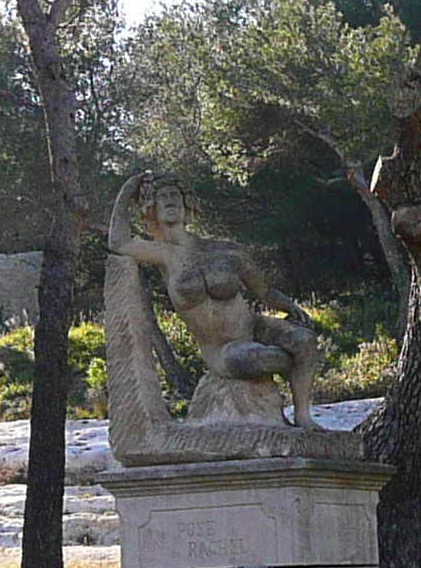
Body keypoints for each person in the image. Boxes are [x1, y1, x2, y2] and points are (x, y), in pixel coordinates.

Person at [108, 173, 324, 427]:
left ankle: (303, 416)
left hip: (254, 328)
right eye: (162, 197)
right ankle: (288, 367)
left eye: (175, 196)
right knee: (262, 358)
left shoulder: (223, 250)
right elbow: (118, 243)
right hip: (222, 349)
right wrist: (127, 191)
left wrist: (291, 307)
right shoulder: (164, 255)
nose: (170, 201)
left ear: (187, 204)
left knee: (304, 340)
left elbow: (264, 291)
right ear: (150, 208)